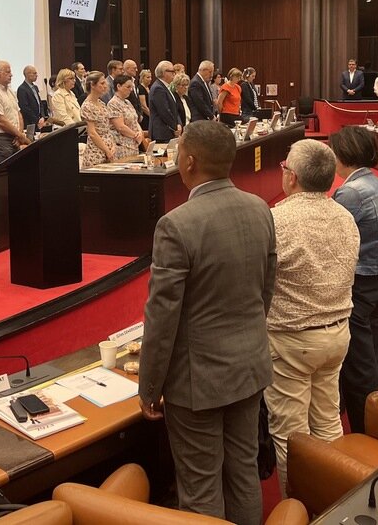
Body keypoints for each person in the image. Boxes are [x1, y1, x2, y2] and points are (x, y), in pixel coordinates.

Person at [139, 121, 276, 525]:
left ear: (189, 161)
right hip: (249, 366)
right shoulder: (260, 208)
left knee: (200, 489)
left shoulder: (176, 224)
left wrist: (149, 385)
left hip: (197, 381)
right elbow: (265, 291)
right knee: (243, 474)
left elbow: (162, 316)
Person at [267, 139, 359, 487]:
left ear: (291, 177)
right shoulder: (345, 216)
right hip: (337, 334)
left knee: (292, 436)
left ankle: (301, 506)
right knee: (327, 421)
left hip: (293, 339)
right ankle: (335, 498)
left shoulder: (277, 220)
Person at [330, 126, 378, 434]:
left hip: (360, 283)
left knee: (359, 364)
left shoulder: (351, 192)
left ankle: (365, 429)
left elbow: (331, 236)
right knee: (370, 355)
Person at [0, 61, 30, 163]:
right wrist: (19, 135)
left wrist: (19, 134)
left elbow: (18, 114)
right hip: (2, 140)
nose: (11, 75)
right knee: (5, 174)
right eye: (8, 72)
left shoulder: (10, 91)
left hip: (15, 137)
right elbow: (1, 121)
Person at [80, 71, 115, 168]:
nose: (105, 86)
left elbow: (108, 127)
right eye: (102, 83)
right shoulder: (87, 106)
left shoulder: (102, 104)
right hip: (96, 150)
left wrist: (112, 146)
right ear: (92, 85)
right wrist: (106, 150)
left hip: (108, 146)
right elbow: (92, 132)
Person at [108, 74, 144, 160]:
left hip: (134, 144)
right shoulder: (113, 103)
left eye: (131, 87)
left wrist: (140, 132)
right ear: (119, 86)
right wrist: (135, 135)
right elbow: (120, 127)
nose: (131, 90)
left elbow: (135, 120)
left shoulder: (127, 102)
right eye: (128, 87)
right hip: (122, 146)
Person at [149, 60, 181, 142]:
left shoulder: (166, 86)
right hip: (161, 132)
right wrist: (175, 127)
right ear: (164, 73)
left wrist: (178, 124)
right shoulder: (158, 88)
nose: (174, 74)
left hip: (169, 130)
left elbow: (174, 108)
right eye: (172, 71)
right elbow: (164, 111)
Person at [17, 65, 45, 131]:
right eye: (34, 73)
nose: (37, 75)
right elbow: (25, 108)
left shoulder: (35, 87)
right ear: (28, 74)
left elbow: (40, 103)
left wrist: (42, 116)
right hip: (29, 123)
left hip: (39, 121)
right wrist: (37, 120)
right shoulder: (22, 89)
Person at [121, 60, 145, 125]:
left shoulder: (134, 81)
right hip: (128, 116)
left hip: (137, 116)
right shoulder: (122, 82)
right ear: (127, 69)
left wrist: (140, 114)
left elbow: (137, 99)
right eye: (134, 68)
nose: (136, 70)